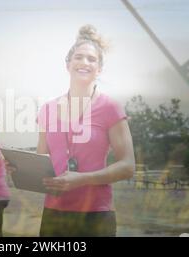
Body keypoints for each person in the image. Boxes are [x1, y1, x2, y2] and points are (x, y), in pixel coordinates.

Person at [35, 25, 135, 236]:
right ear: (68, 64)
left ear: (99, 69)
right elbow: (41, 159)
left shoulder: (111, 108)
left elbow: (128, 166)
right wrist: (19, 166)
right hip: (54, 213)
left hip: (96, 215)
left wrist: (81, 179)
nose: (84, 62)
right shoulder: (47, 109)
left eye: (91, 59)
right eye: (79, 57)